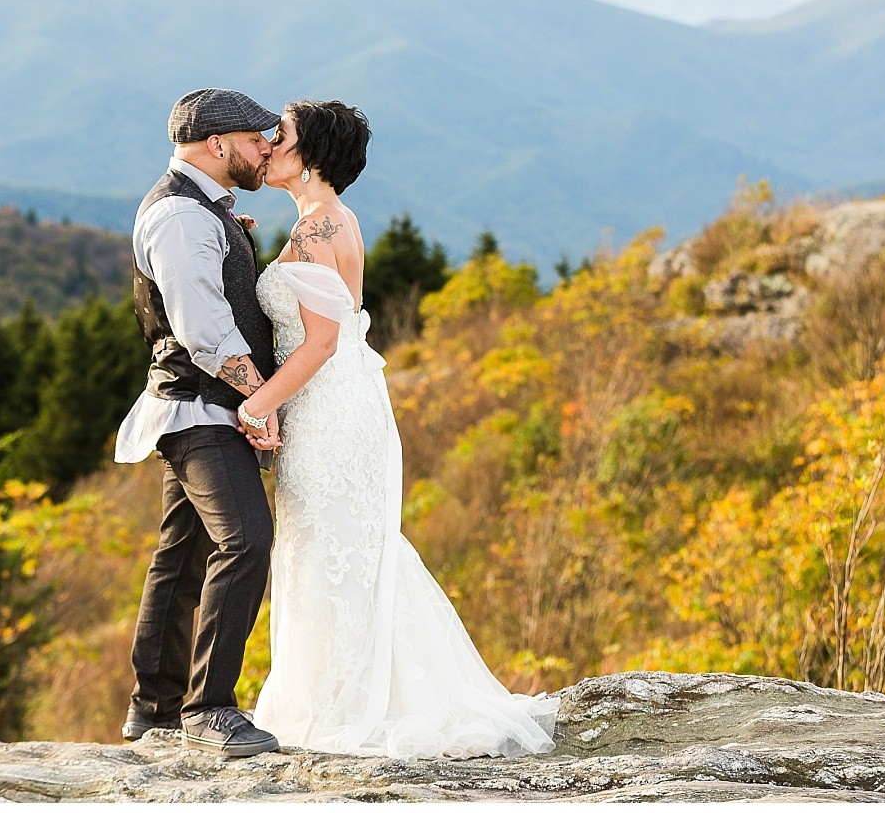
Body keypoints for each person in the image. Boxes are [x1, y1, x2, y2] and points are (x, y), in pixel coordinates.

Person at [239, 99, 560, 759]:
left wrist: (255, 405)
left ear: (312, 153)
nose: (269, 146)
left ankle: (345, 701)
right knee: (337, 546)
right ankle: (338, 689)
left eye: (282, 136)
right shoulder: (327, 221)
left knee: (333, 547)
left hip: (330, 412)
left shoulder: (317, 231)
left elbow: (320, 342)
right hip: (337, 405)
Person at [113, 87, 284, 757]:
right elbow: (205, 330)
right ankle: (209, 706)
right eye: (254, 139)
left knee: (182, 556)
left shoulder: (200, 211)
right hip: (201, 408)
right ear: (217, 144)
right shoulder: (181, 217)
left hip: (195, 406)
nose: (265, 149)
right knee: (246, 541)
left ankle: (151, 707)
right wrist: (260, 399)